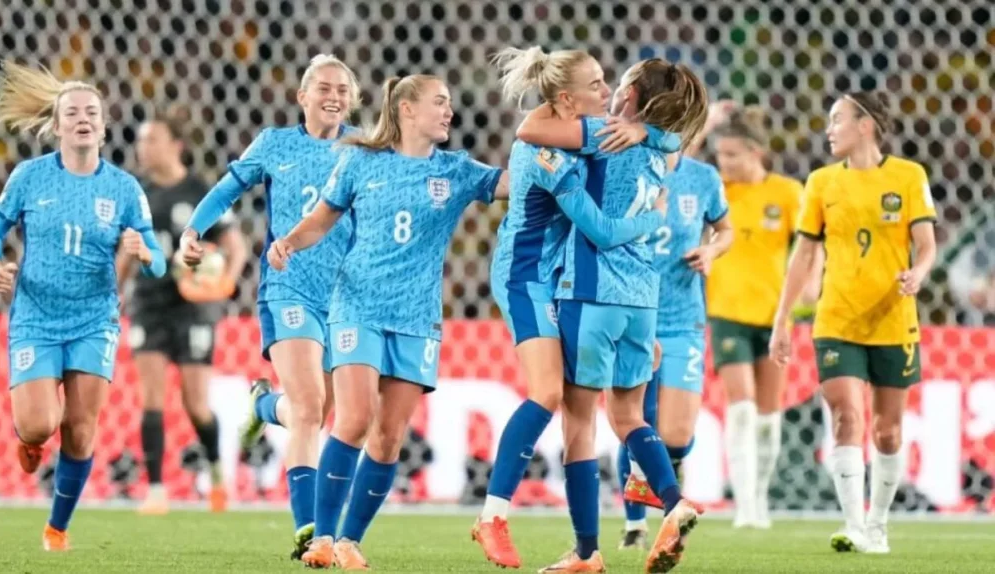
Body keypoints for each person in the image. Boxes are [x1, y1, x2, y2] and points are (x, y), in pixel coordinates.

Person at [266, 74, 508, 570]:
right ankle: (323, 538)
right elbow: (321, 218)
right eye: (439, 102)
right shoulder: (359, 159)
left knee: (389, 436)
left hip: (417, 317)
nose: (449, 112)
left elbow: (511, 183)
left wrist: (549, 149)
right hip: (357, 306)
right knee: (353, 419)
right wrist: (289, 241)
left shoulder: (457, 171)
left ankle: (351, 540)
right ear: (406, 110)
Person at [473, 45, 683, 569]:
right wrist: (653, 217)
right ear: (567, 100)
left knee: (574, 408)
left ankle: (587, 552)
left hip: (565, 282)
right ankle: (491, 516)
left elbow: (672, 140)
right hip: (527, 279)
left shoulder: (586, 139)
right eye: (595, 84)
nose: (607, 90)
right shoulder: (548, 153)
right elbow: (602, 229)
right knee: (548, 393)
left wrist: (648, 131)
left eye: (608, 80)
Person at [515, 58, 709, 573]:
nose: (608, 90)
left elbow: (529, 127)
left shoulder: (604, 134)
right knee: (627, 418)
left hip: (592, 294)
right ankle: (674, 501)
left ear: (633, 94)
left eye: (618, 83)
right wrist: (648, 127)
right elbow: (674, 139)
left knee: (579, 423)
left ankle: (586, 553)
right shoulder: (662, 145)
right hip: (644, 301)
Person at [0, 61, 166, 551]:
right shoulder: (29, 177)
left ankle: (56, 528)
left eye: (92, 113)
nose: (83, 119)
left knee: (80, 432)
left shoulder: (124, 189)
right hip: (36, 318)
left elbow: (159, 261)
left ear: (103, 127)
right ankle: (30, 437)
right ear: (57, 125)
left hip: (93, 320)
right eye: (73, 112)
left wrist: (147, 254)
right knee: (39, 424)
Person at [179, 54, 357, 558]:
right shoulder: (274, 144)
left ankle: (260, 405)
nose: (334, 96)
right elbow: (227, 190)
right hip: (288, 288)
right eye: (323, 86)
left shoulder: (365, 146)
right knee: (307, 409)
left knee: (320, 411)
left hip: (345, 297)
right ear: (302, 96)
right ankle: (310, 531)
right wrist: (194, 230)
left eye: (343, 89)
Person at [769, 92, 937, 554]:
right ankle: (854, 523)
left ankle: (879, 523)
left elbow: (926, 245)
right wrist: (781, 321)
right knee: (847, 414)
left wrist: (918, 274)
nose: (829, 129)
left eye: (837, 120)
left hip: (892, 320)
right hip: (836, 318)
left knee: (887, 431)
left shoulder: (908, 176)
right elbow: (804, 255)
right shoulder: (821, 183)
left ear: (866, 125)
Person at [120, 109, 247, 515]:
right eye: (140, 141)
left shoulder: (198, 191)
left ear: (176, 145)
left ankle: (215, 473)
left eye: (151, 139)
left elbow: (236, 246)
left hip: (193, 309)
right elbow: (126, 251)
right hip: (149, 303)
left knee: (196, 403)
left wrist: (225, 281)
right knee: (151, 397)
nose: (143, 148)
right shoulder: (135, 195)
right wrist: (114, 292)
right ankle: (156, 490)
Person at [686, 102, 806, 528]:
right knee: (741, 408)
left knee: (769, 418)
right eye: (720, 155)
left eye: (733, 154)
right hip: (726, 312)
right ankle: (746, 507)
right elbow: (677, 165)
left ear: (757, 152)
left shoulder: (788, 193)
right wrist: (707, 125)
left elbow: (813, 244)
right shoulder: (718, 191)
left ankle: (761, 496)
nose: (724, 163)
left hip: (774, 316)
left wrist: (814, 281)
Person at [616, 155, 733, 549]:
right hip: (633, 310)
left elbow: (726, 230)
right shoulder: (626, 166)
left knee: (677, 436)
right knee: (636, 419)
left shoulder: (703, 177)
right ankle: (636, 525)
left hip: (683, 318)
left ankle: (669, 477)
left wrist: (712, 252)